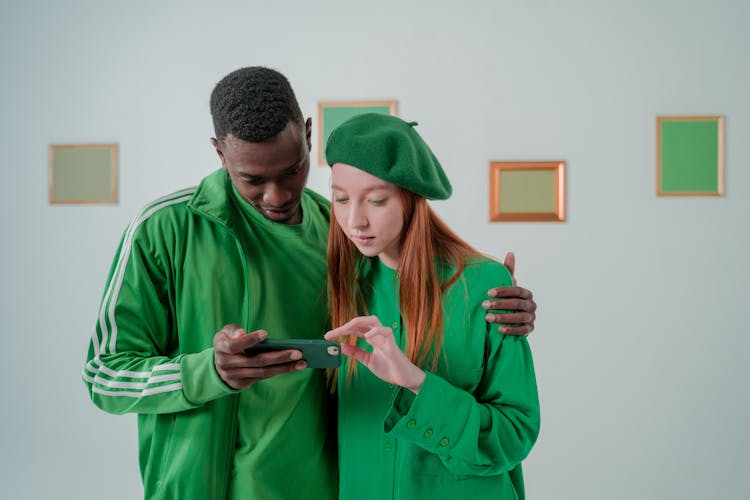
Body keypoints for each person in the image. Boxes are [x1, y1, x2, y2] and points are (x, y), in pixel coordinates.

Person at [81, 67, 538, 499]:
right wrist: (209, 371)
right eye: (252, 180)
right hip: (203, 486)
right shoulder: (164, 230)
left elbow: (420, 284)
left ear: (308, 134)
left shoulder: (340, 238)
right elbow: (103, 374)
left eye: (292, 170)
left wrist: (490, 295)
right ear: (219, 153)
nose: (276, 195)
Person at [323, 113, 540, 499]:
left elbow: (515, 432)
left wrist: (416, 382)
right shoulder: (341, 284)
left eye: (375, 200)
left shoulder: (485, 285)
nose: (354, 220)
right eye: (340, 199)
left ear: (411, 196)